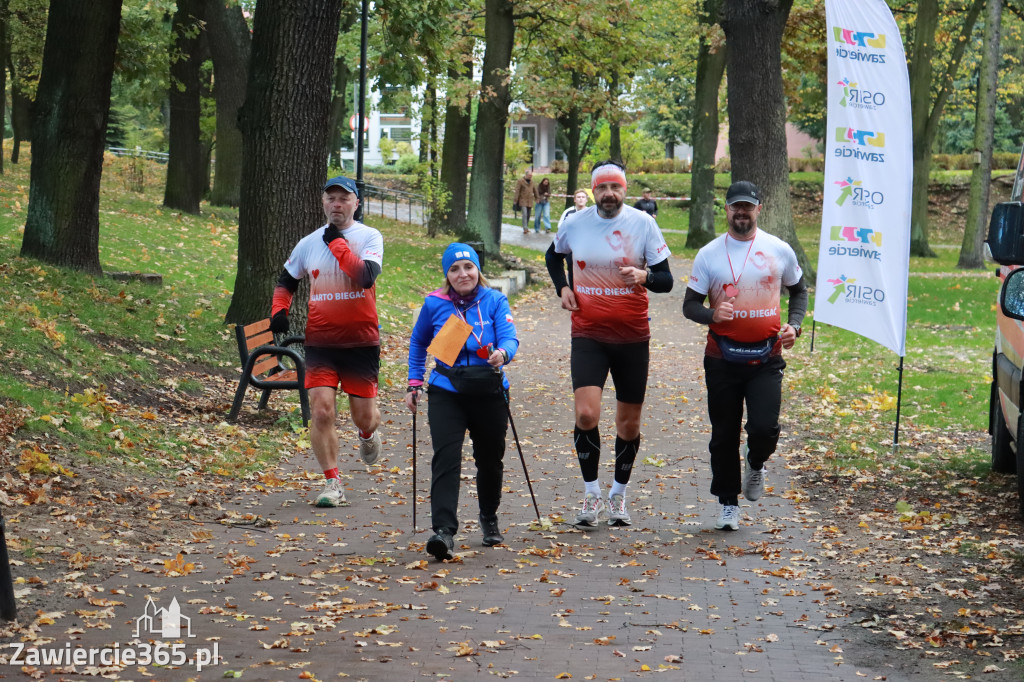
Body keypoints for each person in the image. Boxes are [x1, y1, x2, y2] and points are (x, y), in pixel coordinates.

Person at [545, 160, 674, 528]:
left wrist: (645, 275)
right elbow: (553, 256)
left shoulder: (643, 224)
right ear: (593, 189)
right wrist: (563, 287)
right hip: (588, 333)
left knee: (628, 425)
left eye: (615, 187)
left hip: (633, 336)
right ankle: (591, 492)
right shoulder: (575, 223)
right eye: (602, 187)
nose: (608, 194)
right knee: (586, 414)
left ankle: (618, 494)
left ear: (625, 189)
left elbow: (666, 280)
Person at [681, 180, 808, 531]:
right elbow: (689, 306)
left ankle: (756, 460)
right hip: (721, 357)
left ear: (758, 210)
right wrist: (712, 315)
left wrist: (795, 327)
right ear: (726, 210)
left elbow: (799, 292)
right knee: (723, 434)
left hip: (767, 356)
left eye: (747, 207)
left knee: (764, 427)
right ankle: (727, 503)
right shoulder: (708, 254)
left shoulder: (778, 249)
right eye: (735, 206)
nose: (741, 212)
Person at [270, 175, 385, 508]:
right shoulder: (308, 243)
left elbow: (363, 276)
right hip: (321, 343)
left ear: (356, 203)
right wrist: (279, 310)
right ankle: (333, 483)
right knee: (321, 412)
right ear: (323, 203)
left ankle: (367, 434)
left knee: (364, 417)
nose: (337, 204)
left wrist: (337, 243)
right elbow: (286, 281)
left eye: (344, 198)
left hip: (361, 343)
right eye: (331, 198)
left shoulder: (369, 236)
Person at [405, 243, 520, 560]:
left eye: (468, 267)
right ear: (447, 274)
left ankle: (489, 517)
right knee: (446, 458)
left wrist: (503, 353)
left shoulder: (494, 299)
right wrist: (414, 383)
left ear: (477, 270)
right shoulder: (435, 304)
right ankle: (443, 531)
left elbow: (510, 337)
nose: (462, 274)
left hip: (489, 389)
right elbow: (418, 342)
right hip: (447, 390)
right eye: (454, 269)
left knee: (489, 459)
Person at [513, 170, 536, 234]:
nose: (530, 177)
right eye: (529, 175)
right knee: (525, 214)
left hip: (530, 201)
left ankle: (526, 226)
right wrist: (515, 200)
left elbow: (535, 190)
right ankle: (525, 228)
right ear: (526, 175)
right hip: (522, 200)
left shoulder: (532, 182)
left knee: (528, 215)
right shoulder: (520, 181)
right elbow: (517, 191)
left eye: (531, 175)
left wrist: (537, 198)